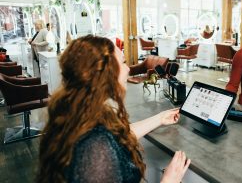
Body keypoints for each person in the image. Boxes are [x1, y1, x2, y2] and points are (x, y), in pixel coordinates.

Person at [37, 35, 190, 183]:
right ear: (105, 73)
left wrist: (160, 118)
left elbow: (118, 136)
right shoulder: (94, 150)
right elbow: (104, 141)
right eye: (123, 63)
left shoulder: (78, 112)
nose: (128, 69)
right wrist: (169, 180)